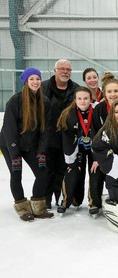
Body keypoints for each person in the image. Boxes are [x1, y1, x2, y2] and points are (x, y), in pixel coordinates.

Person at [0, 67, 54, 221]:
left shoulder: (45, 101)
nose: (35, 82)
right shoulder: (15, 101)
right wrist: (15, 153)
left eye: (37, 78)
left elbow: (46, 129)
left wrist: (41, 151)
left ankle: (37, 206)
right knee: (16, 174)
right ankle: (23, 208)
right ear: (25, 82)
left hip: (31, 145)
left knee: (42, 172)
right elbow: (8, 129)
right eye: (32, 79)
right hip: (11, 144)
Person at [56, 87, 103, 217]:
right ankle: (68, 201)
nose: (83, 101)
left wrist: (98, 158)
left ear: (91, 99)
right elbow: (67, 140)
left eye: (86, 98)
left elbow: (101, 136)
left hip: (94, 149)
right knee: (73, 172)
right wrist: (71, 161)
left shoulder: (96, 113)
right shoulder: (69, 115)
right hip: (77, 150)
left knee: (95, 173)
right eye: (80, 98)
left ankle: (94, 203)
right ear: (75, 100)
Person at [42, 59, 79, 209]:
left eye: (68, 69)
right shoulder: (43, 87)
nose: (65, 72)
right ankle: (45, 199)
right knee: (47, 171)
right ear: (55, 70)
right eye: (62, 69)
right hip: (47, 138)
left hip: (67, 139)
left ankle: (60, 198)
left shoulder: (76, 89)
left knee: (63, 171)